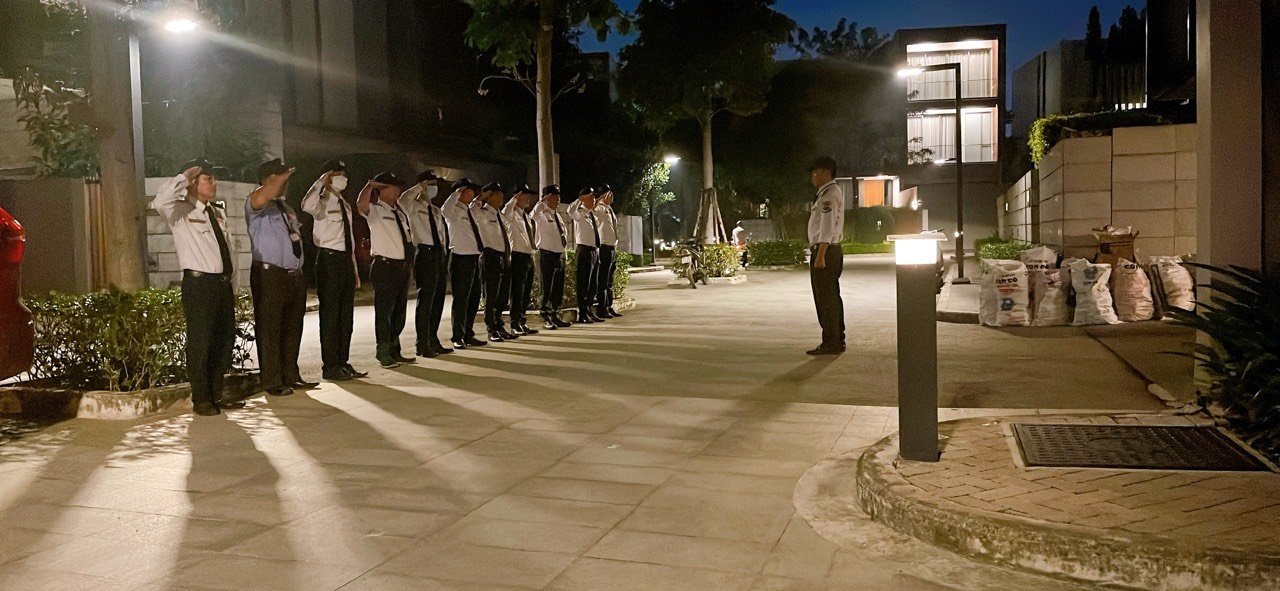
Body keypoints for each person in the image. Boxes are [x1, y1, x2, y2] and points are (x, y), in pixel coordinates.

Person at [151, 160, 242, 416]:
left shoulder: (216, 212)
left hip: (222, 285)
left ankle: (215, 394)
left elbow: (227, 250)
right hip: (200, 284)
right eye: (208, 179)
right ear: (193, 183)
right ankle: (201, 399)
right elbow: (159, 201)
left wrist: (233, 284)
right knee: (201, 342)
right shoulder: (179, 211)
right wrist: (183, 177)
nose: (214, 183)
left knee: (223, 341)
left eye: (213, 179)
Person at [245, 158, 318, 396]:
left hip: (293, 275)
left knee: (292, 327)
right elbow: (265, 194)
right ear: (268, 180)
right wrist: (283, 175)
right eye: (280, 178)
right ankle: (272, 381)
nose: (285, 183)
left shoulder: (285, 208)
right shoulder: (255, 202)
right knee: (270, 329)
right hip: (270, 274)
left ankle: (291, 374)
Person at [301, 159, 366, 381]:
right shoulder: (320, 201)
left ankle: (343, 362)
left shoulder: (344, 203)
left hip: (345, 260)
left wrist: (354, 269)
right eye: (338, 174)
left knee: (345, 317)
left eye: (344, 174)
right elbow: (306, 205)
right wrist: (321, 182)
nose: (343, 178)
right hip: (328, 260)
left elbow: (350, 241)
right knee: (330, 315)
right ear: (328, 177)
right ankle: (330, 365)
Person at [357, 172, 417, 368]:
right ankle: (383, 352)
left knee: (399, 312)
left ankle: (395, 350)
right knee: (385, 312)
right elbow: (361, 205)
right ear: (382, 189)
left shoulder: (399, 213)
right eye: (394, 186)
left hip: (401, 267)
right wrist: (370, 186)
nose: (398, 190)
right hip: (385, 266)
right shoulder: (375, 210)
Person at [401, 170, 453, 358]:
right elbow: (403, 200)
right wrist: (419, 187)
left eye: (435, 185)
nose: (433, 188)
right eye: (430, 184)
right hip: (424, 253)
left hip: (438, 255)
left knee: (438, 299)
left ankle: (433, 339)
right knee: (426, 300)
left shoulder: (436, 210)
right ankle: (422, 343)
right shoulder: (413, 206)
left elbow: (441, 235)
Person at [807, 157, 846, 355]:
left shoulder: (829, 194)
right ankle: (836, 339)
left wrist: (820, 254)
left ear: (827, 173)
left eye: (817, 172)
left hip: (826, 251)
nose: (814, 176)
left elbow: (827, 226)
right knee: (831, 297)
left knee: (825, 299)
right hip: (828, 250)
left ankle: (831, 342)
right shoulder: (828, 192)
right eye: (813, 172)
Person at [442, 178, 487, 349]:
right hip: (460, 258)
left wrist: (481, 197)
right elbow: (445, 208)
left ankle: (468, 333)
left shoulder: (469, 211)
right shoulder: (452, 210)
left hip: (474, 257)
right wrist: (456, 193)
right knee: (461, 299)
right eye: (467, 190)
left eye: (471, 191)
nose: (471, 193)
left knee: (474, 298)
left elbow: (478, 203)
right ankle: (457, 336)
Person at [474, 182, 516, 342]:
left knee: (503, 295)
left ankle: (499, 324)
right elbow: (471, 209)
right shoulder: (481, 212)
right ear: (489, 195)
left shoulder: (500, 215)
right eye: (497, 193)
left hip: (504, 256)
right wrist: (480, 198)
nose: (501, 196)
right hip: (490, 256)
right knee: (491, 294)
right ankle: (491, 328)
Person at [531, 185, 572, 330]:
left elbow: (562, 236)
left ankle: (555, 314)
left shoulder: (557, 215)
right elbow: (532, 216)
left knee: (557, 288)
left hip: (559, 254)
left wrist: (565, 254)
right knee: (547, 287)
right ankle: (546, 316)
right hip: (546, 253)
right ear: (547, 198)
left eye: (558, 197)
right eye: (555, 197)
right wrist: (542, 202)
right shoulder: (541, 213)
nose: (558, 200)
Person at [502, 184, 540, 336]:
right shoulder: (511, 213)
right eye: (525, 195)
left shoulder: (526, 216)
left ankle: (522, 321)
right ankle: (515, 323)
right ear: (516, 197)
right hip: (517, 256)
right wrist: (514, 199)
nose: (528, 198)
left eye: (529, 195)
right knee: (517, 292)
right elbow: (505, 211)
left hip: (528, 255)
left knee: (526, 293)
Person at [566, 187, 603, 324]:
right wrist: (579, 199)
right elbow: (570, 211)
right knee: (584, 284)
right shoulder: (579, 213)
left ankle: (589, 310)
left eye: (594, 197)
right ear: (584, 199)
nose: (594, 200)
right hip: (584, 250)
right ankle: (582, 313)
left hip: (594, 251)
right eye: (591, 197)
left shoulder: (592, 214)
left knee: (593, 284)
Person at [593, 184, 622, 318]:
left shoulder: (609, 208)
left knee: (609, 280)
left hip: (612, 247)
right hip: (604, 246)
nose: (612, 196)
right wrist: (598, 200)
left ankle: (609, 306)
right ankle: (602, 307)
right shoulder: (598, 208)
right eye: (609, 194)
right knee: (603, 280)